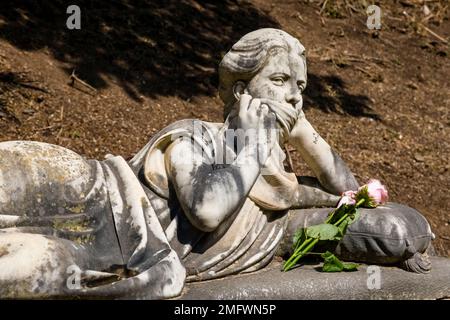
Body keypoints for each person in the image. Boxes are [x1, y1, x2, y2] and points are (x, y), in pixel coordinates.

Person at [0, 29, 433, 299]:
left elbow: (350, 197)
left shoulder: (280, 188)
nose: (294, 96)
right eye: (279, 81)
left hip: (118, 251)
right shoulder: (195, 133)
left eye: (300, 87)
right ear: (242, 89)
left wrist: (304, 134)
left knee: (27, 271)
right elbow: (206, 209)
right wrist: (254, 138)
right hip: (93, 189)